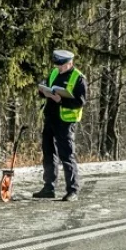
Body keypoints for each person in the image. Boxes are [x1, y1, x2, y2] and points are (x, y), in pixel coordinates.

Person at [33, 49, 88, 202]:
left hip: (65, 122)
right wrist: (43, 91)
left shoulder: (78, 78)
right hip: (50, 118)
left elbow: (80, 102)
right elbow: (46, 87)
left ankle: (72, 190)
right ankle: (49, 187)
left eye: (62, 66)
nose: (59, 68)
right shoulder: (54, 73)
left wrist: (61, 101)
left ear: (70, 63)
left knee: (67, 155)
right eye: (57, 65)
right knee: (49, 153)